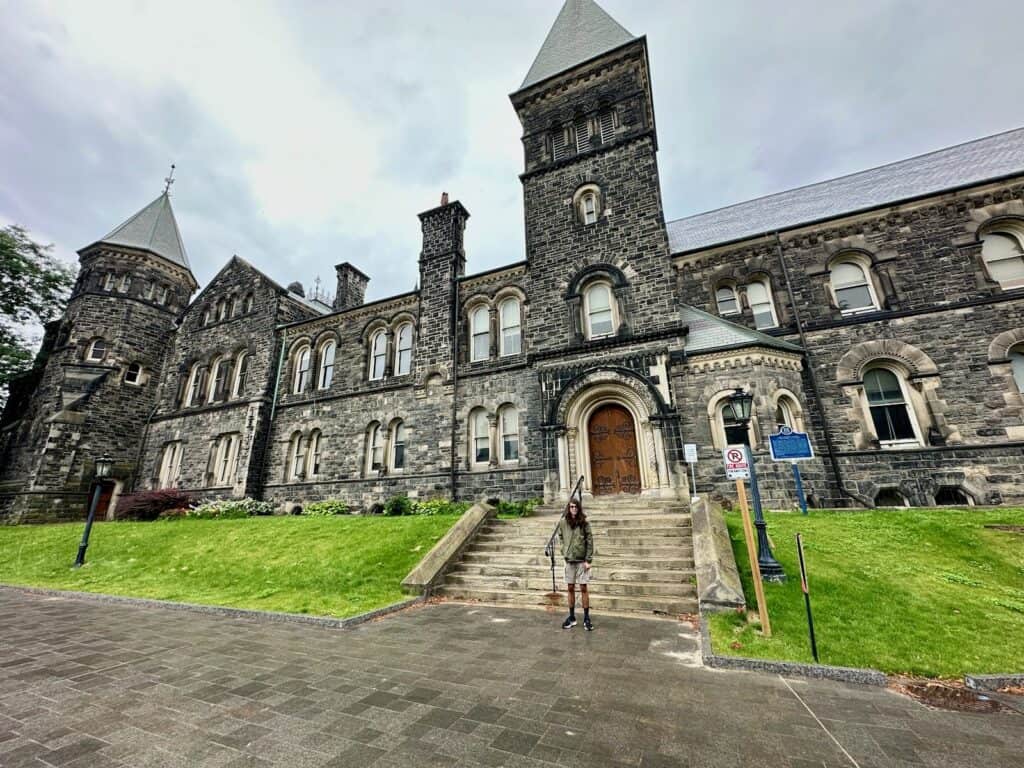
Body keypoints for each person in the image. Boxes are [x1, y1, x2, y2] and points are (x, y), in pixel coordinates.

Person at [557, 499, 594, 631]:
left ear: (579, 508)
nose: (573, 509)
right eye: (571, 507)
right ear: (568, 508)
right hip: (569, 561)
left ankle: (586, 618)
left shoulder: (584, 523)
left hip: (581, 561)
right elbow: (560, 536)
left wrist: (588, 560)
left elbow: (590, 541)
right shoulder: (563, 522)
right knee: (570, 587)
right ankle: (572, 617)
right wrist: (563, 550)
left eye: (575, 507)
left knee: (583, 587)